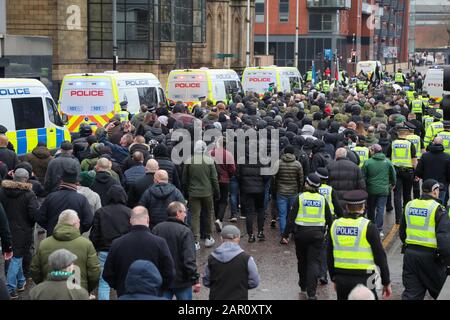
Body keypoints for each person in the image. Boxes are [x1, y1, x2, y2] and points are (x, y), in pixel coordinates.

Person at [328, 190, 392, 300]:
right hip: (367, 276)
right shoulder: (368, 226)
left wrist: (334, 278)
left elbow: (329, 254)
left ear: (347, 207)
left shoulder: (335, 225)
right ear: (363, 207)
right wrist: (386, 282)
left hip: (341, 276)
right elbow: (380, 257)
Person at [102, 206, 175, 298]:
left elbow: (108, 273)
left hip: (125, 293)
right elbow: (169, 272)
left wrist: (119, 286)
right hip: (153, 294)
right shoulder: (159, 243)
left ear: (131, 220)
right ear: (148, 219)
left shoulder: (117, 243)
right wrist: (160, 288)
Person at [282, 173, 333, 300]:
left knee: (302, 261)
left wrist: (285, 235)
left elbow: (291, 218)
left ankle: (303, 285)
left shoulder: (300, 197)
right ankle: (311, 294)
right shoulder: (322, 199)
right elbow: (329, 218)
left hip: (301, 234)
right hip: (317, 235)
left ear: (307, 184)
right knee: (314, 263)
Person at [400, 179, 450, 300]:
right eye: (438, 190)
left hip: (410, 256)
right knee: (443, 293)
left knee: (412, 293)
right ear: (434, 191)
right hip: (431, 259)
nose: (439, 192)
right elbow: (444, 238)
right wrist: (448, 263)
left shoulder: (409, 205)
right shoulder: (438, 209)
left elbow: (402, 232)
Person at [31, 210, 100, 293]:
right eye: (79, 221)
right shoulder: (86, 244)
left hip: (51, 292)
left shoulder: (44, 244)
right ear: (75, 223)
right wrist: (86, 290)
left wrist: (44, 284)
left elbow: (35, 269)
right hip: (78, 291)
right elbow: (94, 272)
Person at [0, 168, 39, 298]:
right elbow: (33, 214)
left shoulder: (2, 191)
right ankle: (10, 288)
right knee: (16, 259)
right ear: (26, 179)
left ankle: (21, 281)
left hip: (5, 229)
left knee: (15, 257)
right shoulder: (29, 194)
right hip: (23, 231)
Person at [89, 185, 132, 300]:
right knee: (124, 282)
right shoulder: (130, 212)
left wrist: (96, 248)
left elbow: (95, 234)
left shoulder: (100, 212)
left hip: (105, 251)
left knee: (104, 283)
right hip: (124, 251)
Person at [152, 202, 200, 300]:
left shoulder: (157, 229)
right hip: (182, 282)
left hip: (163, 280)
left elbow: (153, 255)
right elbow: (189, 259)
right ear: (178, 213)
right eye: (184, 212)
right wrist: (195, 279)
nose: (186, 215)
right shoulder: (185, 231)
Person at [202, 225, 260, 300]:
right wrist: (241, 287)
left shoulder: (211, 258)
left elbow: (206, 281)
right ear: (238, 239)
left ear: (221, 238)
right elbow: (254, 282)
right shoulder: (246, 259)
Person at [36, 161, 93, 236]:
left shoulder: (51, 197)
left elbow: (40, 217)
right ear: (77, 182)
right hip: (74, 239)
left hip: (53, 237)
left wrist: (50, 228)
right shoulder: (82, 199)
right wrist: (78, 230)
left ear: (61, 181)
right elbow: (88, 221)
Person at [182, 140, 220, 249]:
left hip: (193, 193)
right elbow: (214, 179)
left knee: (195, 216)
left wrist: (186, 192)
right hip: (207, 192)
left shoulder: (189, 161)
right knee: (208, 214)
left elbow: (184, 180)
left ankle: (196, 241)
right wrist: (217, 192)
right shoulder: (210, 161)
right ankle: (208, 237)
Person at [362, 144, 397, 237]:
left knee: (371, 208)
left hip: (371, 189)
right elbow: (393, 175)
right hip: (383, 190)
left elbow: (363, 176)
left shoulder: (367, 162)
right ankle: (379, 229)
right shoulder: (388, 162)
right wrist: (393, 184)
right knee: (381, 209)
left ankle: (371, 226)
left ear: (373, 151)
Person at [387, 125, 418, 224]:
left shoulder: (392, 143)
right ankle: (406, 216)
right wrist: (417, 173)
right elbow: (414, 161)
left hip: (395, 171)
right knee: (407, 194)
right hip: (408, 172)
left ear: (398, 133)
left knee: (397, 195)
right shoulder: (410, 144)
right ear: (407, 133)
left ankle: (398, 219)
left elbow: (388, 159)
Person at [273, 145, 304, 238]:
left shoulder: (278, 163)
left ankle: (284, 233)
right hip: (293, 192)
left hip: (281, 191)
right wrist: (299, 189)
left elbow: (273, 176)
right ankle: (291, 231)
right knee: (292, 214)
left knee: (282, 214)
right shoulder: (297, 164)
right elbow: (301, 179)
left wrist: (276, 185)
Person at [209, 137, 236, 232]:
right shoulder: (228, 154)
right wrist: (229, 174)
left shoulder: (211, 152)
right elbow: (232, 168)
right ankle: (219, 219)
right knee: (224, 200)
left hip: (213, 179)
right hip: (225, 180)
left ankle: (217, 217)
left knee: (216, 199)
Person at [415, 136, 450, 204]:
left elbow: (418, 171)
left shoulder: (425, 156)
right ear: (442, 143)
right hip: (441, 186)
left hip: (427, 185)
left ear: (433, 143)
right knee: (440, 206)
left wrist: (423, 177)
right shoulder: (447, 157)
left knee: (426, 204)